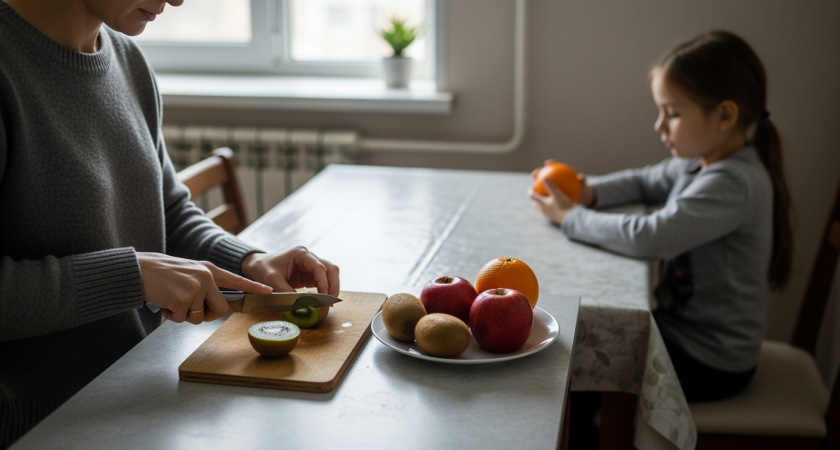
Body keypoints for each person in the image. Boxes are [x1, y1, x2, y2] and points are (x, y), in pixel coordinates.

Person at [0, 1, 340, 447]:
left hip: (140, 396)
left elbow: (170, 211)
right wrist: (131, 276)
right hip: (41, 426)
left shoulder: (128, 60)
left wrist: (248, 262)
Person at [529, 29, 792, 446]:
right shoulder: (699, 163)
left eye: (671, 112)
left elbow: (649, 236)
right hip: (684, 336)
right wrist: (590, 191)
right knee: (577, 361)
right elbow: (643, 182)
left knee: (574, 366)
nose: (658, 125)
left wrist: (570, 217)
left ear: (724, 115)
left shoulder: (733, 183)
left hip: (713, 361)